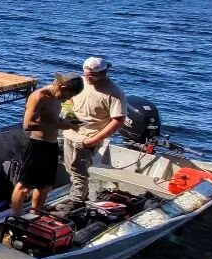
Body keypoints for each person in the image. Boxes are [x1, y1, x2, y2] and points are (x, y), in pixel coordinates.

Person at [11, 73, 84, 215]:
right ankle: (15, 216)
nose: (67, 99)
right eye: (66, 96)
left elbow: (52, 119)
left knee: (44, 186)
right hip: (37, 145)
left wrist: (67, 122)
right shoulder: (39, 96)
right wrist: (60, 125)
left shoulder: (57, 97)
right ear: (61, 86)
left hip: (51, 145)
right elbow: (27, 125)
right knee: (24, 186)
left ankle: (35, 215)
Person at [61, 56, 127, 210]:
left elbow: (118, 120)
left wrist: (93, 140)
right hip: (70, 132)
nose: (88, 79)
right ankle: (80, 196)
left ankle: (76, 202)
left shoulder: (114, 93)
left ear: (104, 72)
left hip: (89, 137)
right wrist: (68, 113)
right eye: (86, 75)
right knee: (70, 168)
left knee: (79, 171)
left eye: (92, 76)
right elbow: (68, 98)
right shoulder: (81, 82)